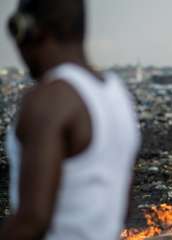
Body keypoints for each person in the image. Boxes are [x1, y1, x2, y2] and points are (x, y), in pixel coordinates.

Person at [0, 0, 140, 239]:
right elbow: (122, 205)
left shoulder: (50, 99)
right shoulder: (117, 94)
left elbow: (33, 220)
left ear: (30, 30)